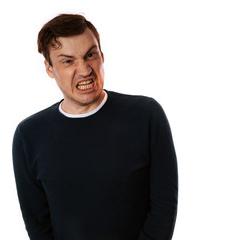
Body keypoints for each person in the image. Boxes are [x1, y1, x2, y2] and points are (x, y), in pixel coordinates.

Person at [12, 14, 178, 240]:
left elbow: (163, 204)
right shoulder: (28, 136)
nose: (85, 69)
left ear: (102, 55)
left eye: (90, 55)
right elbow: (38, 226)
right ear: (50, 69)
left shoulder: (145, 115)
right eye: (68, 61)